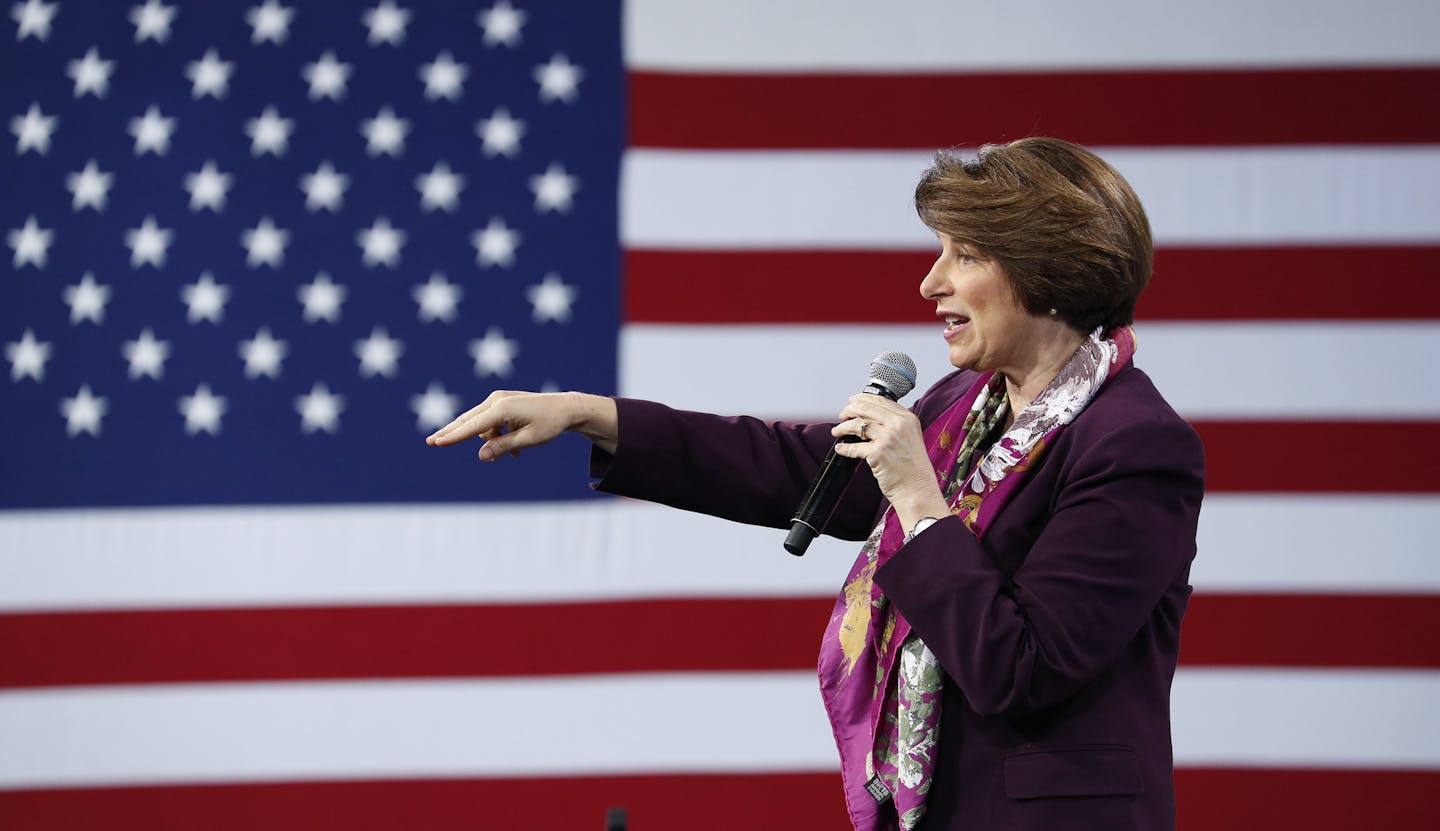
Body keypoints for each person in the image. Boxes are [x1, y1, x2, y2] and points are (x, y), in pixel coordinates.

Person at [427, 137, 1205, 831]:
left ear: (1048, 269)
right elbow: (792, 465)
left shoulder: (1134, 444)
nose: (931, 282)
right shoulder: (962, 408)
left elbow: (1023, 666)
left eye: (964, 255)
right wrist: (587, 413)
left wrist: (919, 501)